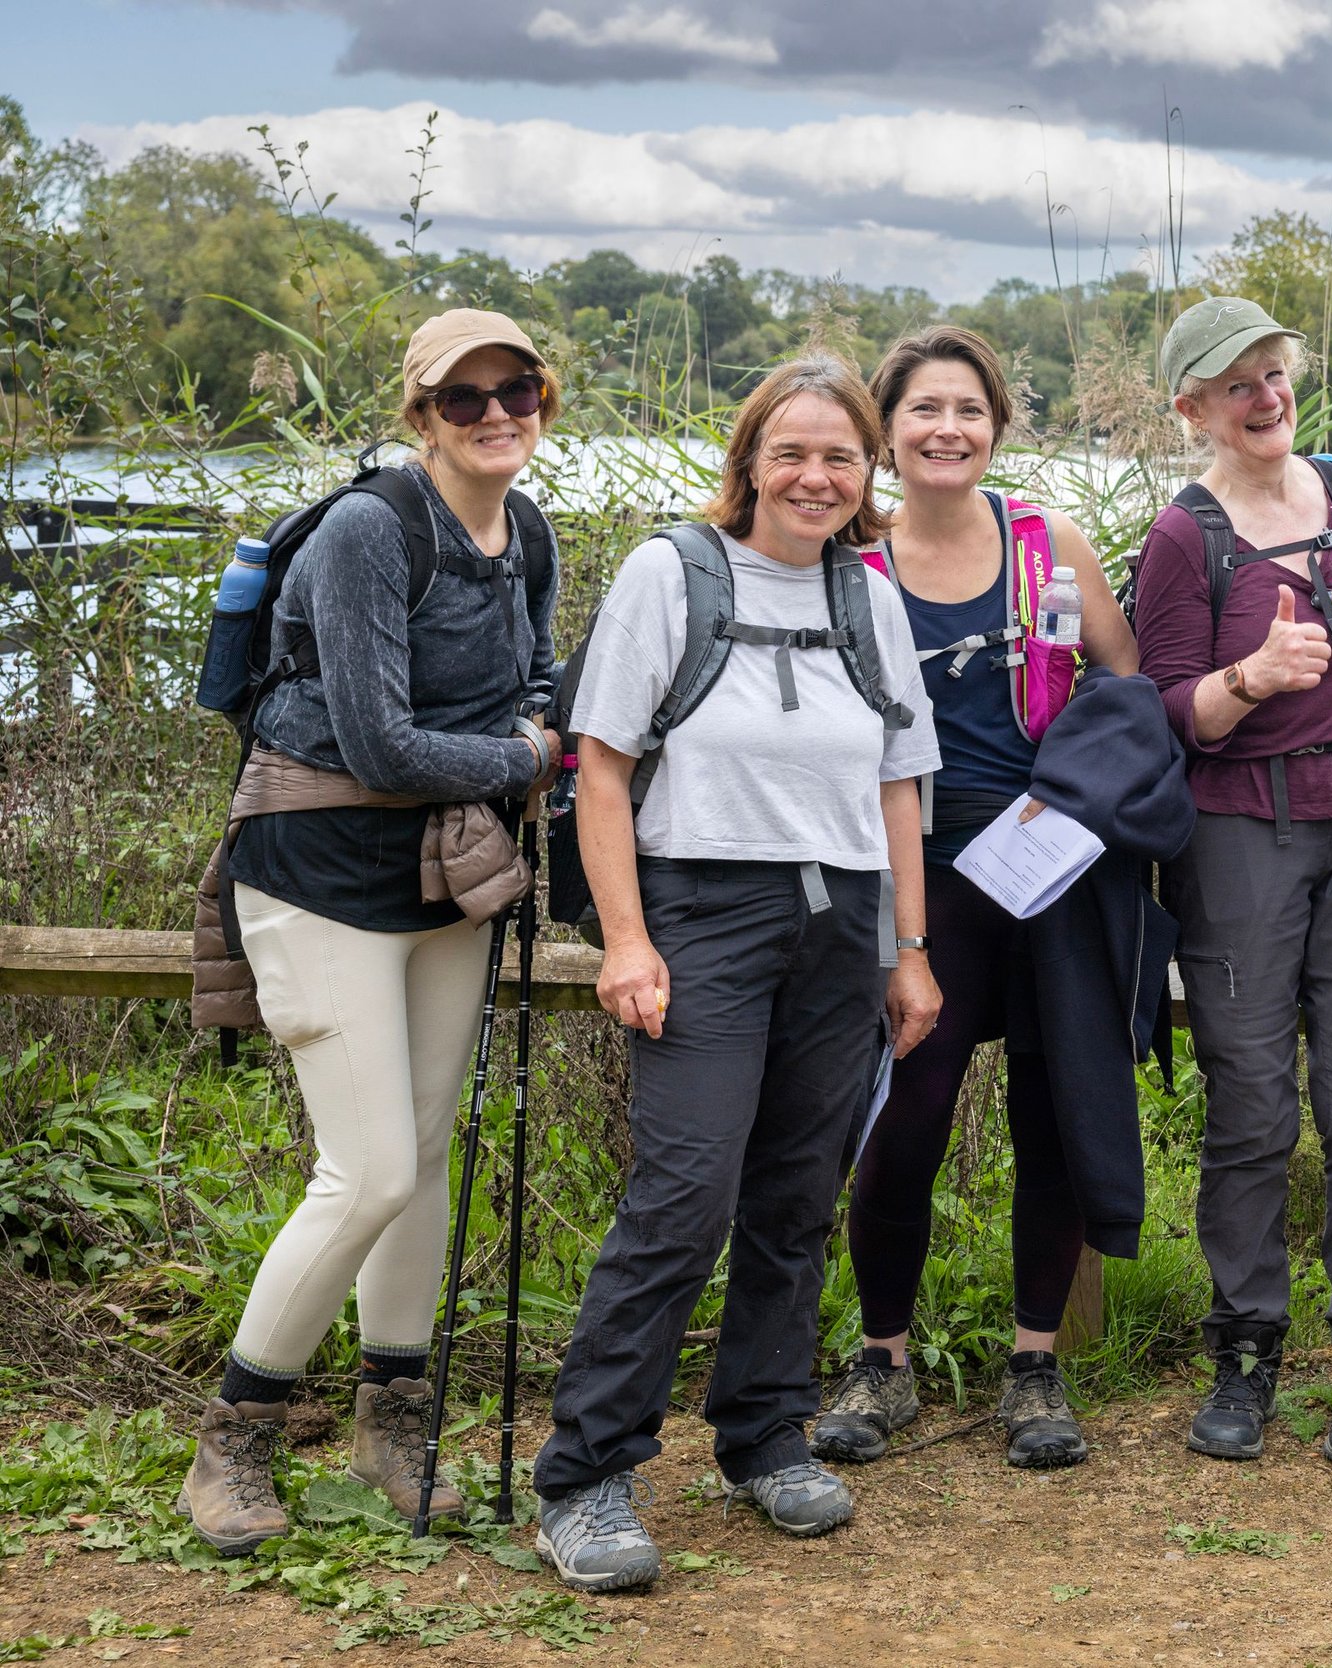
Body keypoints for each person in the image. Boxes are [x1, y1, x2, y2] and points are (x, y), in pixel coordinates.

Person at [531, 355, 940, 1591]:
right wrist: (625, 938)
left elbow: (897, 784)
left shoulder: (870, 597)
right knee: (684, 1193)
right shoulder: (673, 573)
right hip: (701, 909)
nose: (816, 477)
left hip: (843, 917)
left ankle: (761, 1434)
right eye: (793, 452)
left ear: (867, 472)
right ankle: (586, 1474)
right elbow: (600, 768)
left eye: (840, 457)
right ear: (749, 458)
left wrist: (909, 954)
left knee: (797, 1193)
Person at [181, 309, 562, 1554]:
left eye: (517, 390)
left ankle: (395, 1423)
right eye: (465, 400)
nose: (496, 413)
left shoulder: (530, 533)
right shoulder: (364, 531)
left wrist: (538, 730)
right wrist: (522, 756)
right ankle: (233, 1437)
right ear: (420, 419)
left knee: (429, 1158)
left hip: (440, 874)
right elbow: (375, 739)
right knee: (371, 1169)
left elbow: (540, 679)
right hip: (314, 870)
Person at [1132, 295, 1332, 1467]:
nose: (1265, 399)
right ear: (1190, 409)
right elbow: (1170, 711)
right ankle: (1247, 1350)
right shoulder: (1184, 537)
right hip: (1236, 845)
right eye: (1236, 385)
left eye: (1274, 373)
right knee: (1253, 1108)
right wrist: (1255, 675)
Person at [817, 325, 1146, 1472]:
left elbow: (1126, 684)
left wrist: (1080, 799)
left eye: (967, 410)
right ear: (885, 433)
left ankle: (1035, 1366)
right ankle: (884, 1362)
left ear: (996, 427)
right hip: (920, 879)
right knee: (905, 1121)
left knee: (1053, 1116)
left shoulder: (1044, 543)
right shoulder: (849, 568)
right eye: (921, 412)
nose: (945, 430)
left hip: (1053, 869)